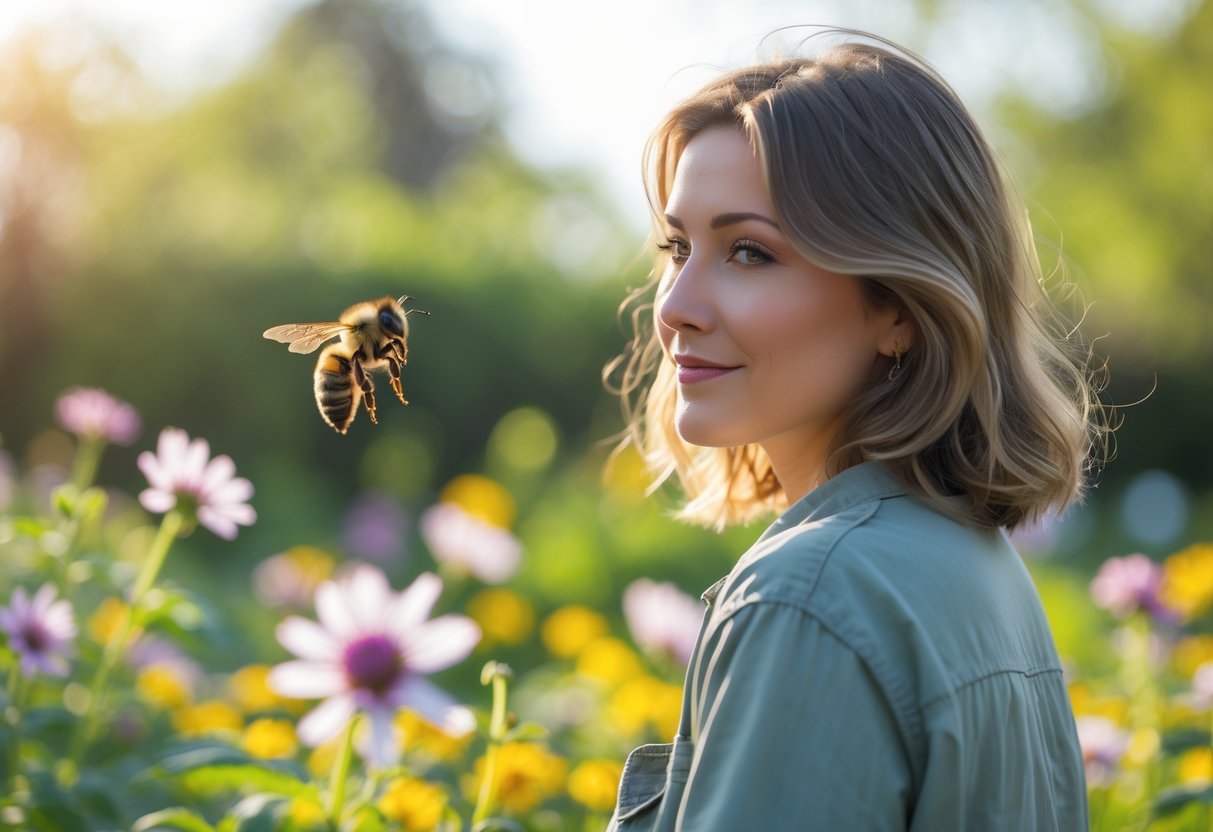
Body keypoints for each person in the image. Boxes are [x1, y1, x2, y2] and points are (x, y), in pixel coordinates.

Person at [605, 28, 1098, 831]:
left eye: (749, 253)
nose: (672, 308)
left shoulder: (808, 596)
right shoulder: (968, 564)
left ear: (899, 307)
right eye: (676, 247)